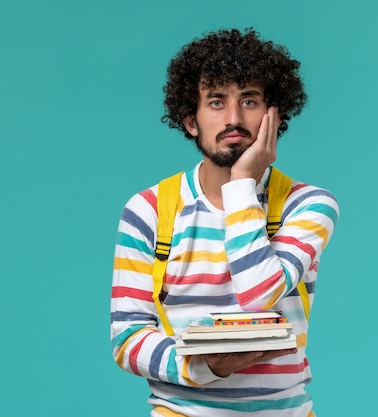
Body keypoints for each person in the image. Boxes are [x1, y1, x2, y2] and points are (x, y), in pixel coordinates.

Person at [110, 28, 339, 417]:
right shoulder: (148, 209)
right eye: (216, 102)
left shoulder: (307, 204)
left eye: (249, 101)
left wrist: (241, 185)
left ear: (274, 115)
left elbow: (258, 294)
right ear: (190, 121)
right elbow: (128, 339)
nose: (234, 119)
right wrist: (206, 367)